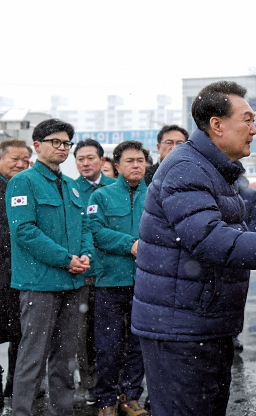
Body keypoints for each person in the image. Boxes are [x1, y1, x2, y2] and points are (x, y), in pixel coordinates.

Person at [130, 81, 256, 416]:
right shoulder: (187, 167)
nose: (254, 129)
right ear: (216, 125)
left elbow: (237, 232)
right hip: (181, 329)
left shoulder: (216, 170)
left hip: (204, 323)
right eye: (247, 120)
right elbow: (209, 239)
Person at [7, 118, 93, 416]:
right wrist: (65, 259)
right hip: (38, 284)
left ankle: (63, 411)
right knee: (32, 358)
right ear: (37, 145)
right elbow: (25, 231)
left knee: (65, 359)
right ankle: (23, 412)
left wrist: (85, 255)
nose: (62, 148)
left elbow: (84, 228)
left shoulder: (72, 187)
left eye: (66, 143)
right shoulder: (23, 182)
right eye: (55, 142)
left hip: (72, 284)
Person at [88, 141, 149, 416]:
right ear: (116, 166)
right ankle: (106, 401)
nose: (136, 165)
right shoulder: (101, 197)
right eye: (129, 161)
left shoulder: (157, 196)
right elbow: (95, 231)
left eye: (140, 160)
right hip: (110, 283)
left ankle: (131, 397)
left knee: (140, 344)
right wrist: (131, 244)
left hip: (146, 283)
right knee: (108, 346)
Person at [73, 139, 117, 406]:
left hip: (112, 272)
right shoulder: (69, 189)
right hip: (84, 273)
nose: (85, 163)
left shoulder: (116, 188)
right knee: (84, 332)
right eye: (80, 159)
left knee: (115, 332)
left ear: (102, 161)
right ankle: (90, 383)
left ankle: (116, 382)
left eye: (90, 158)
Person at [0, 140, 32, 408]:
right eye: (14, 159)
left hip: (21, 276)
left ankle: (14, 391)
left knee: (21, 336)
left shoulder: (26, 186)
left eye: (25, 160)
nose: (21, 164)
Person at [230, 174, 256, 352]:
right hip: (218, 250)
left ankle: (234, 333)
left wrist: (243, 240)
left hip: (241, 253)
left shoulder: (249, 194)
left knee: (237, 295)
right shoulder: (214, 187)